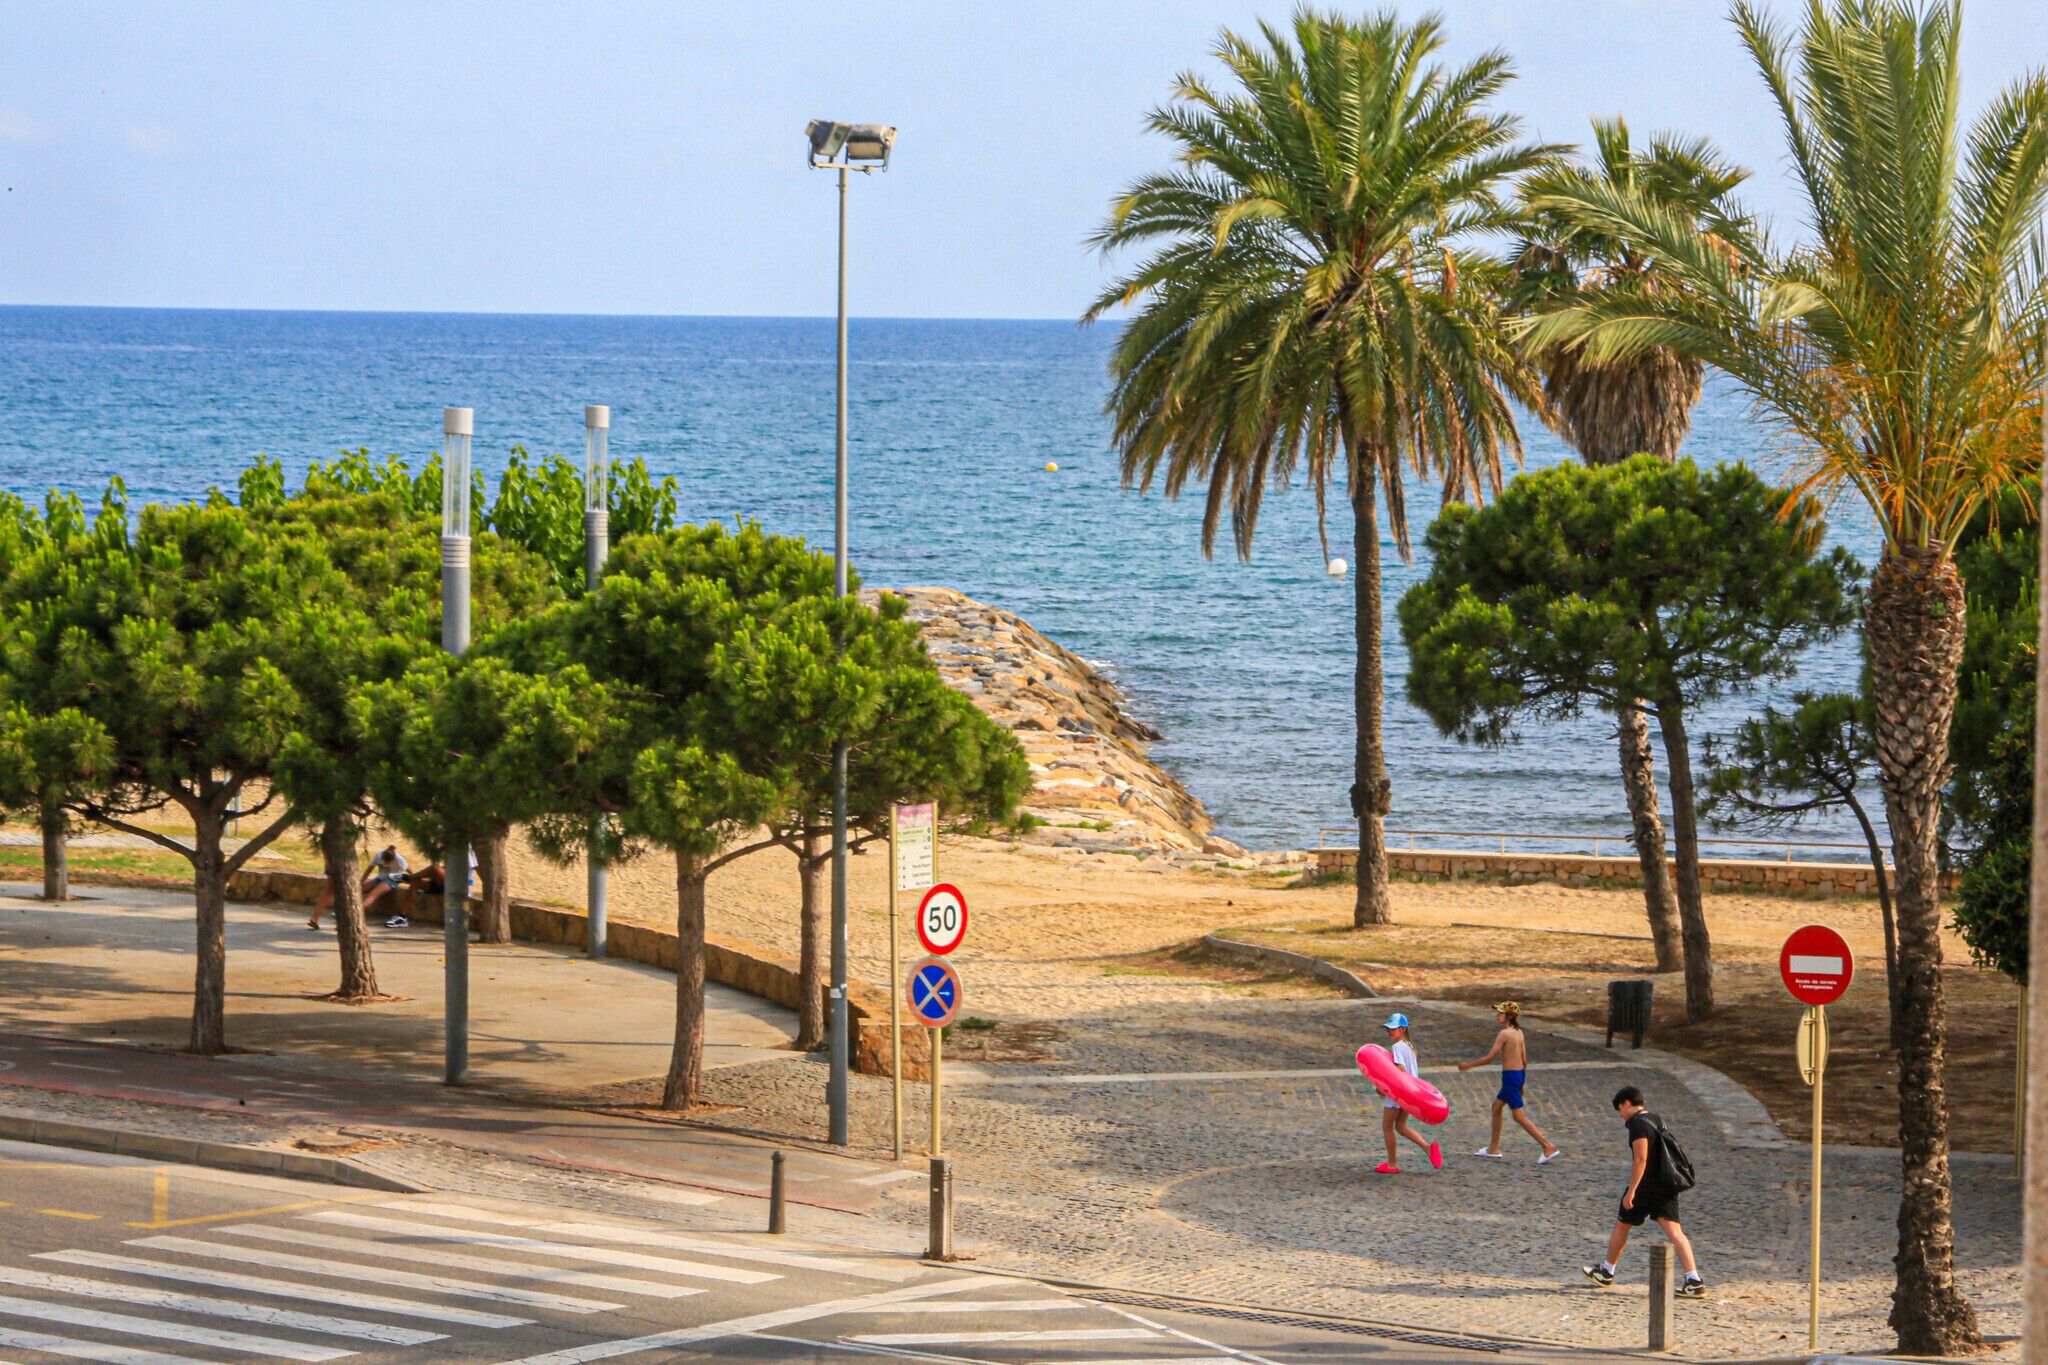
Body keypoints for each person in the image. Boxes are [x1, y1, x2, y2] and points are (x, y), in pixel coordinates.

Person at [1582, 1086, 1704, 1298]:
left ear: (1627, 1103)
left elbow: (1641, 1159)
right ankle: (1694, 1280)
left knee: (1622, 1225)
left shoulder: (1637, 1125)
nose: (1620, 1115)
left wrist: (1632, 1191)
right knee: (1675, 1232)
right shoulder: (1656, 1119)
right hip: (1667, 1184)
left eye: (1620, 1109)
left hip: (1646, 1187)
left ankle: (1606, 1272)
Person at [1457, 1000, 1561, 1162]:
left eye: (1500, 1013)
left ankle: (1547, 1145)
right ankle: (1493, 1148)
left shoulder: (1504, 1034)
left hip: (1510, 1077)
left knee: (1518, 1116)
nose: (1497, 1015)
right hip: (1517, 1076)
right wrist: (1521, 1083)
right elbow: (1524, 1060)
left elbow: (1490, 1057)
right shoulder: (1519, 1032)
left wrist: (1468, 1065)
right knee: (1496, 1107)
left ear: (1509, 1016)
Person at [1375, 1012, 1442, 1174]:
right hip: (1410, 1093)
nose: (1389, 1031)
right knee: (1401, 1126)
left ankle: (1392, 1164)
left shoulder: (1397, 1047)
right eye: (1388, 1029)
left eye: (1393, 1028)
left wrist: (1383, 1087)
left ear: (1403, 1029)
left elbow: (1399, 1070)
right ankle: (1428, 1149)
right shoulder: (1410, 1046)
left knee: (1387, 1127)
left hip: (1398, 1093)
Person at [307, 845, 408, 930]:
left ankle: (350, 919)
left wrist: (403, 880)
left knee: (372, 895)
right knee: (355, 891)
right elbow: (369, 870)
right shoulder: (379, 854)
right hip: (379, 879)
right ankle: (343, 913)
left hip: (391, 881)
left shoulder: (400, 860)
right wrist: (360, 883)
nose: (384, 865)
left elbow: (410, 875)